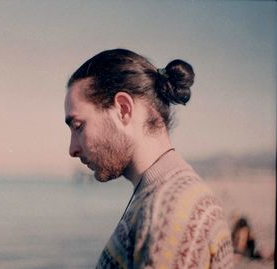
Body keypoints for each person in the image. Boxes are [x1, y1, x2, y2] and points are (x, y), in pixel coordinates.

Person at [64, 49, 233, 268]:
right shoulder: (162, 196)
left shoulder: (168, 211)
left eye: (78, 126)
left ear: (123, 109)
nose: (72, 149)